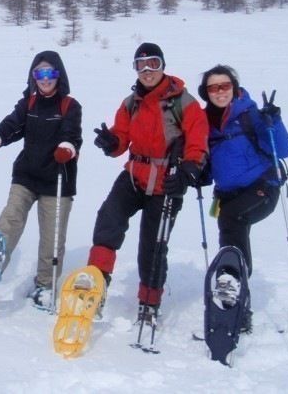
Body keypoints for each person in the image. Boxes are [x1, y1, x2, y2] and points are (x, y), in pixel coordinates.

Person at [88, 43, 209, 324]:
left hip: (167, 182)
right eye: (140, 65)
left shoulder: (184, 102)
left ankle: (149, 303)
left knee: (152, 245)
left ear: (163, 66)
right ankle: (96, 281)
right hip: (134, 175)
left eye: (152, 64)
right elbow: (121, 138)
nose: (147, 71)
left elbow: (197, 140)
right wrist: (111, 142)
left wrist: (188, 172)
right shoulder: (131, 102)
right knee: (109, 220)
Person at [0, 51, 83, 309]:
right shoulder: (29, 103)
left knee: (52, 237)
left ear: (59, 75)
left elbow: (73, 134)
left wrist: (67, 148)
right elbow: (12, 125)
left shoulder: (70, 105)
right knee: (11, 217)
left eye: (50, 73)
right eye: (39, 73)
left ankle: (45, 285)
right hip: (26, 175)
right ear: (33, 77)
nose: (45, 79)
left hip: (57, 178)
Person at [198, 64, 288, 330]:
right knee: (231, 232)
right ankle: (238, 303)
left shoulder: (250, 115)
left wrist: (274, 122)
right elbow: (205, 161)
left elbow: (284, 149)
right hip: (227, 195)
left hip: (262, 187)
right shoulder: (205, 122)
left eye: (225, 86)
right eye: (213, 88)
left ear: (235, 88)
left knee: (232, 220)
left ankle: (231, 282)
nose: (220, 92)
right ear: (206, 92)